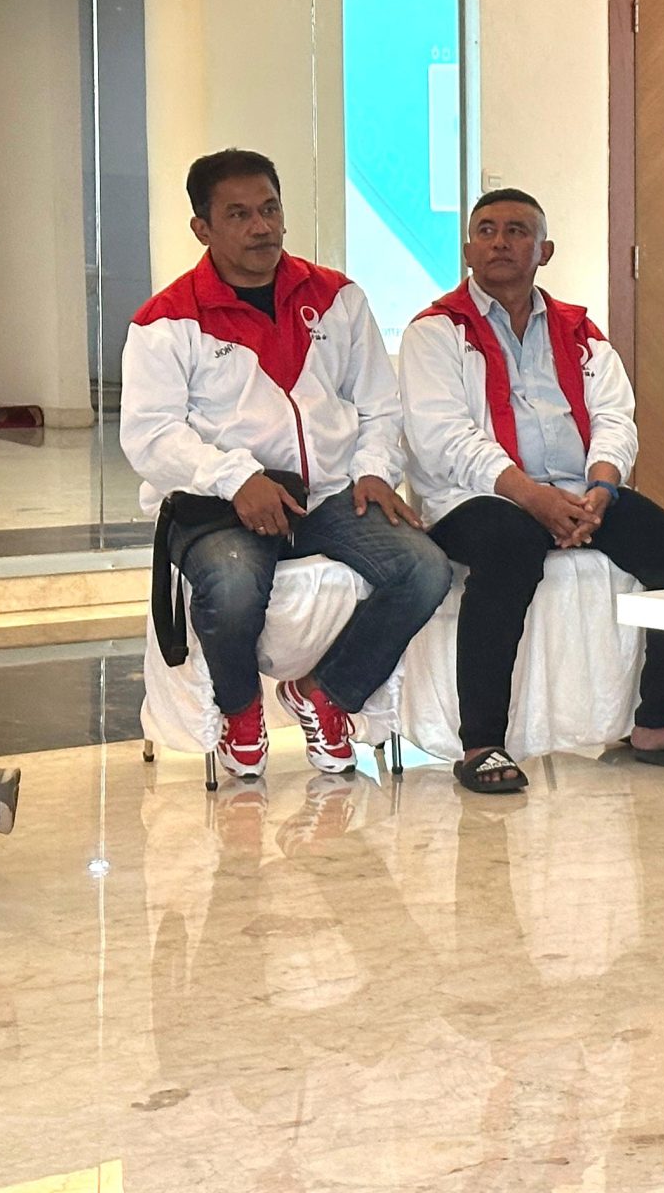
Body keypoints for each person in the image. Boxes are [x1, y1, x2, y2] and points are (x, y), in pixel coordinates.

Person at [121, 148, 452, 780]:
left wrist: (374, 469)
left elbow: (379, 404)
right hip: (219, 504)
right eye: (239, 215)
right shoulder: (167, 320)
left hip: (328, 495)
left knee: (425, 569)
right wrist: (236, 479)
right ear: (202, 228)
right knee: (233, 589)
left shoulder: (336, 297)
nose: (261, 227)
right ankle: (240, 709)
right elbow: (150, 436)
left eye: (270, 209)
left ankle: (326, 694)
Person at [401, 188, 664, 793]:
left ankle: (660, 723)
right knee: (511, 546)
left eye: (518, 231)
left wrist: (602, 487)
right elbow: (442, 438)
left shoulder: (579, 330)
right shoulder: (437, 331)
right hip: (474, 498)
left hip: (579, 493)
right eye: (487, 230)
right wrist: (533, 498)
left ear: (544, 250)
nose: (501, 242)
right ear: (468, 249)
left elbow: (614, 417)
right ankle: (482, 744)